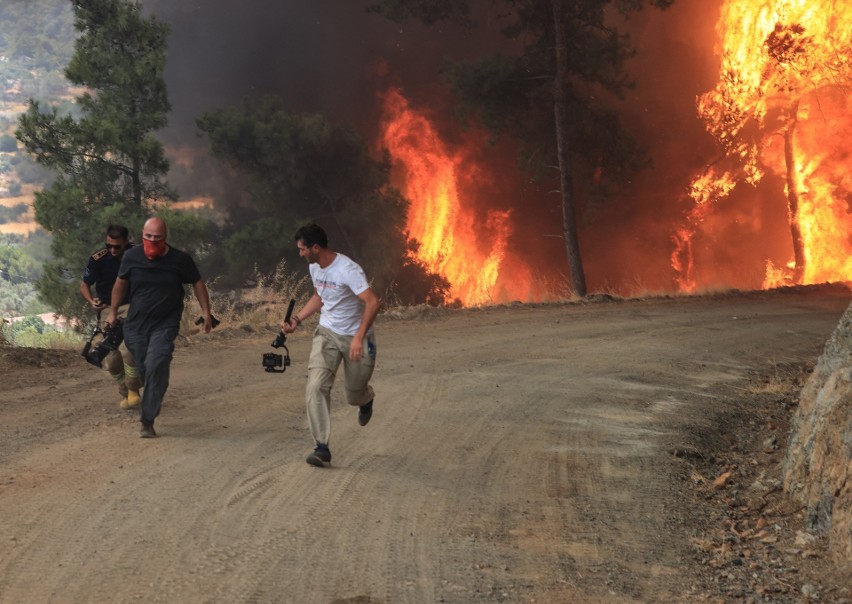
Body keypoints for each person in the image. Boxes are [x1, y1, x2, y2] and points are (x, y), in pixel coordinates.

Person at [281, 223, 381, 467]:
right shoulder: (315, 267)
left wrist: (359, 336)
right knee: (315, 386)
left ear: (316, 247)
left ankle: (365, 400)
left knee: (353, 394)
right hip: (327, 333)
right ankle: (321, 447)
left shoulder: (347, 269)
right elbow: (319, 296)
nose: (300, 253)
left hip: (356, 337)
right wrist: (297, 319)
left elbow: (373, 302)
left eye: (302, 249)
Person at [106, 217, 213, 438]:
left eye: (157, 237)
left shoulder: (180, 260)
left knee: (157, 361)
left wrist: (206, 312)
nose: (152, 241)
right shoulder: (131, 257)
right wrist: (113, 312)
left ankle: (147, 420)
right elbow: (120, 283)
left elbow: (197, 282)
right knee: (148, 370)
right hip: (135, 325)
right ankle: (155, 389)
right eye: (148, 237)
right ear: (142, 236)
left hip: (165, 324)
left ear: (165, 237)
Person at [80, 224, 141, 409]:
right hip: (107, 310)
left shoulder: (137, 254)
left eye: (117, 246)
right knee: (112, 360)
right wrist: (92, 301)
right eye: (109, 246)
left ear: (126, 243)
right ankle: (126, 392)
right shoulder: (98, 259)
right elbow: (84, 284)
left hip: (132, 307)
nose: (113, 250)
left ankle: (133, 390)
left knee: (128, 351)